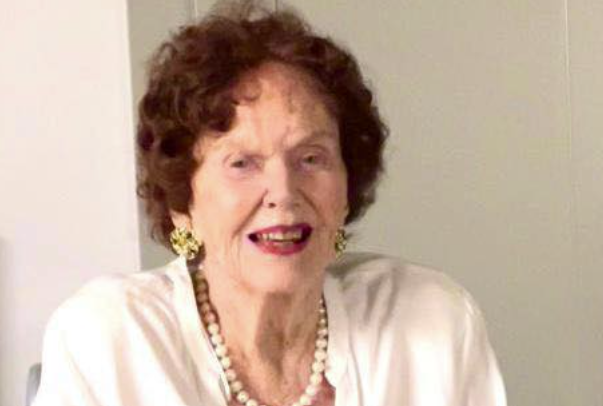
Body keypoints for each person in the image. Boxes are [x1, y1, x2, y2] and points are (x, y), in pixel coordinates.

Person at [33, 2, 507, 406]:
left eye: (311, 158)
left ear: (347, 188)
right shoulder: (110, 342)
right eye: (242, 163)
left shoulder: (429, 324)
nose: (283, 192)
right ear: (182, 202)